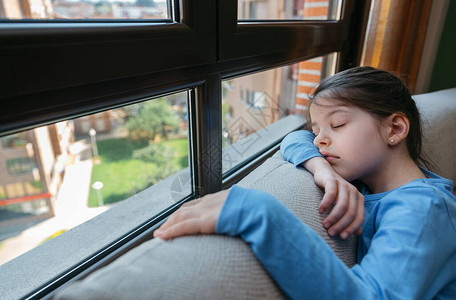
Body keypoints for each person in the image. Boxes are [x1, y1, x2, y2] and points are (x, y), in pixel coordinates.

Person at [153, 66, 456, 299]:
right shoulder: (369, 180)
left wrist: (259, 213)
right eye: (318, 129)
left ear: (396, 127)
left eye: (337, 125)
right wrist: (320, 167)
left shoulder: (423, 211)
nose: (321, 139)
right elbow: (296, 137)